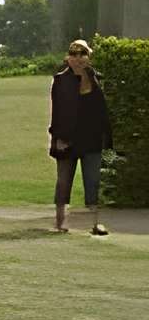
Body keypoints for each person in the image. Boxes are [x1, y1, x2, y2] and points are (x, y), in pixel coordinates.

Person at [50, 37, 113, 234]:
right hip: (67, 138)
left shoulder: (95, 78)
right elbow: (57, 111)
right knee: (63, 182)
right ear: (68, 58)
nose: (78, 58)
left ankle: (95, 223)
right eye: (74, 54)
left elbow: (101, 110)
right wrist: (58, 137)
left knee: (93, 182)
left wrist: (107, 138)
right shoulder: (60, 80)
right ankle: (60, 223)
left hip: (91, 138)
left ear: (89, 57)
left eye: (82, 54)